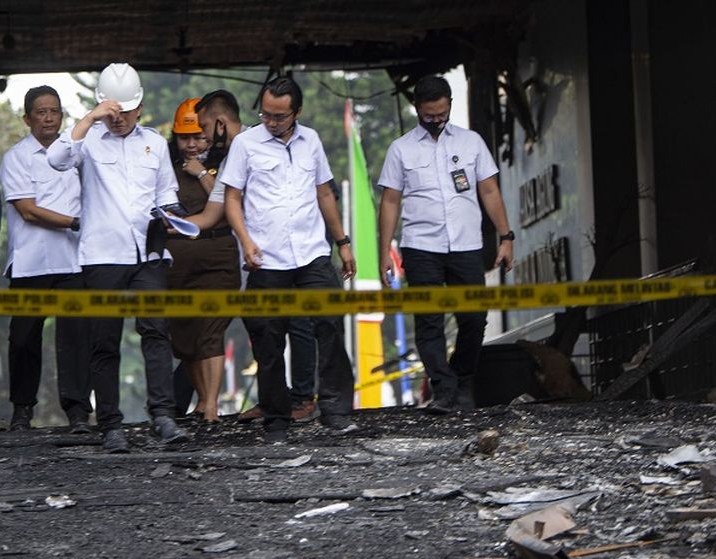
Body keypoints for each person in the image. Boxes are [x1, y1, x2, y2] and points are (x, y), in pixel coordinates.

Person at [47, 62, 185, 453]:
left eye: (127, 110)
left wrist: (173, 219)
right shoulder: (87, 142)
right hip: (103, 256)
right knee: (104, 340)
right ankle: (110, 424)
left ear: (139, 107)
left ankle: (164, 416)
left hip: (148, 253)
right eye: (114, 110)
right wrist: (90, 119)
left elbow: (166, 196)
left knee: (157, 331)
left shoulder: (155, 144)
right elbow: (56, 159)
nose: (120, 118)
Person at [220, 76, 357, 442]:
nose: (272, 121)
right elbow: (232, 198)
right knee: (267, 337)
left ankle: (335, 410)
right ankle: (277, 416)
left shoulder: (310, 140)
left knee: (329, 325)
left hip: (312, 253)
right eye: (266, 114)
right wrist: (245, 241)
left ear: (296, 112)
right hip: (266, 258)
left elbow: (324, 192)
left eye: (280, 116)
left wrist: (342, 242)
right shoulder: (246, 144)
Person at [376, 74, 515, 414]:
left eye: (441, 113)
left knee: (474, 318)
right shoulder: (401, 149)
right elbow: (391, 202)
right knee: (429, 321)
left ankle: (463, 377)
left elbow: (489, 191)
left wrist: (506, 237)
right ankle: (444, 390)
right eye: (429, 115)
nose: (436, 120)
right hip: (420, 246)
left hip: (466, 245)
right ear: (416, 109)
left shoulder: (472, 143)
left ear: (450, 104)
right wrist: (384, 253)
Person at [188, 91, 320, 424]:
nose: (201, 136)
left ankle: (304, 398)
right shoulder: (236, 152)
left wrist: (202, 175)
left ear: (220, 122)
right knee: (262, 329)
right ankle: (273, 398)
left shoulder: (260, 143)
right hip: (252, 260)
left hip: (292, 252)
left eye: (204, 126)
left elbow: (317, 191)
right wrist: (173, 225)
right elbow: (216, 209)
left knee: (299, 324)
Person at [0, 85, 91, 432]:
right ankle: (22, 411)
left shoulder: (79, 154)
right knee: (23, 339)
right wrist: (76, 222)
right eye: (40, 111)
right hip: (30, 262)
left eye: (54, 111)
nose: (49, 117)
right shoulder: (16, 157)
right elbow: (28, 211)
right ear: (27, 118)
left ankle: (79, 412)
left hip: (73, 260)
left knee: (77, 337)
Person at [165, 98, 237, 424]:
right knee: (185, 335)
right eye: (184, 138)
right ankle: (204, 402)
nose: (192, 144)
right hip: (177, 260)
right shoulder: (165, 167)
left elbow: (229, 204)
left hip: (217, 255)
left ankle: (211, 407)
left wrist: (203, 173)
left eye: (198, 136)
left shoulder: (228, 160)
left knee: (211, 331)